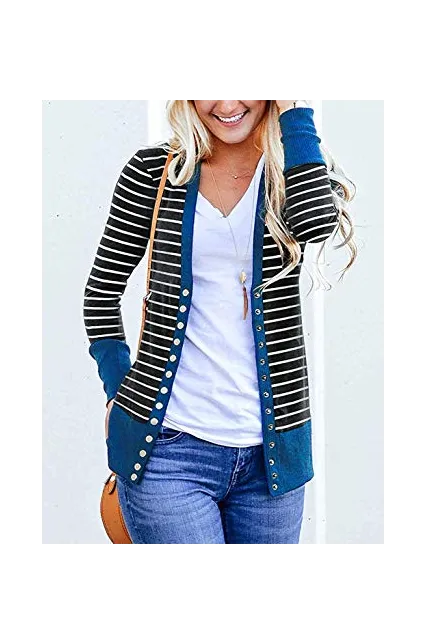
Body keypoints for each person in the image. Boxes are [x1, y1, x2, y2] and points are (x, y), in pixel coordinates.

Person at [83, 98, 356, 544]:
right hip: (167, 451)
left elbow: (315, 225)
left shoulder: (296, 167)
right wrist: (118, 391)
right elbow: (101, 294)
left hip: (273, 460)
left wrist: (294, 110)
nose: (227, 103)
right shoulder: (154, 171)